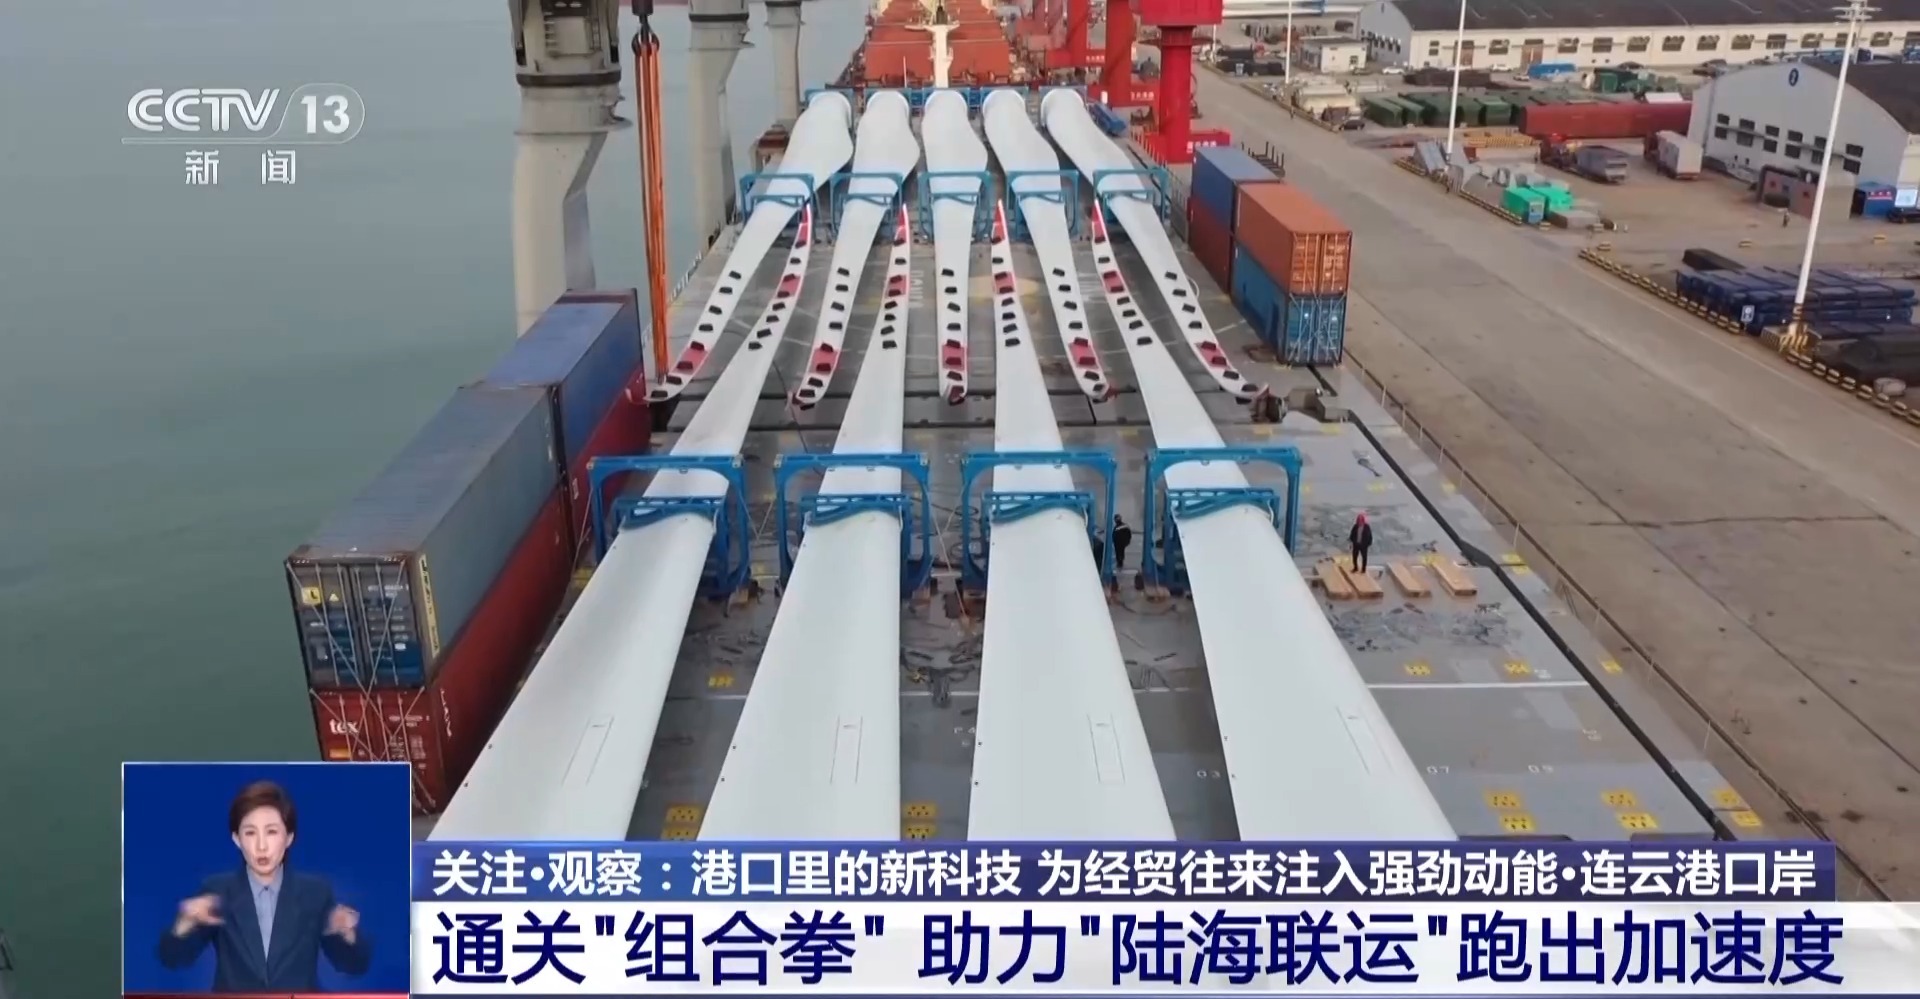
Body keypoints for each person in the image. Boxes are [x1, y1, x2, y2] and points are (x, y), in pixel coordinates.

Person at [158, 781, 372, 993]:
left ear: (289, 838)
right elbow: (173, 959)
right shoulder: (218, 891)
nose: (261, 846)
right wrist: (184, 924)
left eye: (271, 832)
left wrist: (347, 933)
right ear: (237, 839)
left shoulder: (315, 893)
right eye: (250, 833)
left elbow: (354, 965)